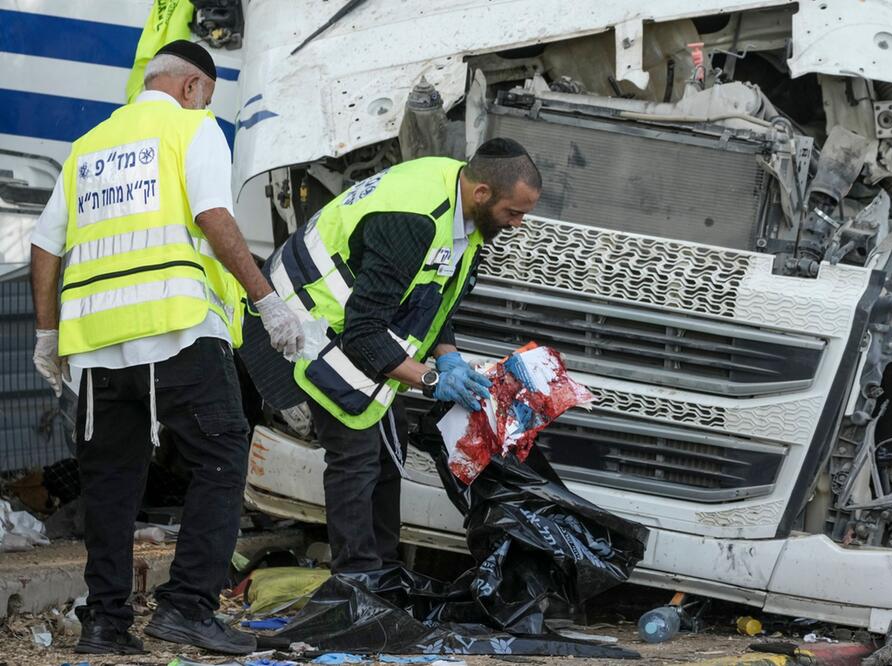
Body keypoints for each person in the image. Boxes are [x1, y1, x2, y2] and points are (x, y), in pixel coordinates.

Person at [29, 40, 304, 656]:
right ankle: (187, 608)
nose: (206, 103)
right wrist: (266, 300)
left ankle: (104, 624)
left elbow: (45, 247)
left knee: (109, 486)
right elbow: (213, 213)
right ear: (191, 87)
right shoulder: (192, 127)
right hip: (177, 331)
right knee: (222, 454)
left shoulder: (89, 146)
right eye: (206, 93)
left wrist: (48, 334)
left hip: (98, 351)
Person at [260, 139, 541, 576]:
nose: (519, 224)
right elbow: (363, 333)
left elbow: (433, 295)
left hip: (353, 319)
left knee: (392, 450)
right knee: (356, 453)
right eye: (514, 212)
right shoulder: (414, 220)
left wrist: (448, 357)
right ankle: (357, 580)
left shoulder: (462, 206)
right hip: (306, 319)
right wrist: (430, 379)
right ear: (483, 193)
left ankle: (384, 572)